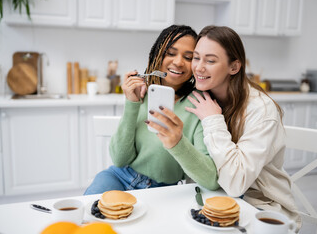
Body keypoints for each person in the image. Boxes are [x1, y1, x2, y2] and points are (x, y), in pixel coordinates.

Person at [185, 25, 301, 228]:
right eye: (196, 57)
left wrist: (212, 120)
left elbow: (235, 183)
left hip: (262, 208)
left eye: (210, 60)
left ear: (234, 67)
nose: (199, 67)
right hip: (214, 199)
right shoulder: (203, 97)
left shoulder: (261, 111)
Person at [84, 25, 219, 195]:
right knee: (88, 214)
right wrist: (131, 104)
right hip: (119, 177)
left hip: (163, 190)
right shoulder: (142, 92)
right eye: (170, 53)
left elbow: (210, 179)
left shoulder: (199, 103)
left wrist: (178, 142)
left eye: (188, 57)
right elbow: (119, 159)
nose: (178, 62)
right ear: (157, 54)